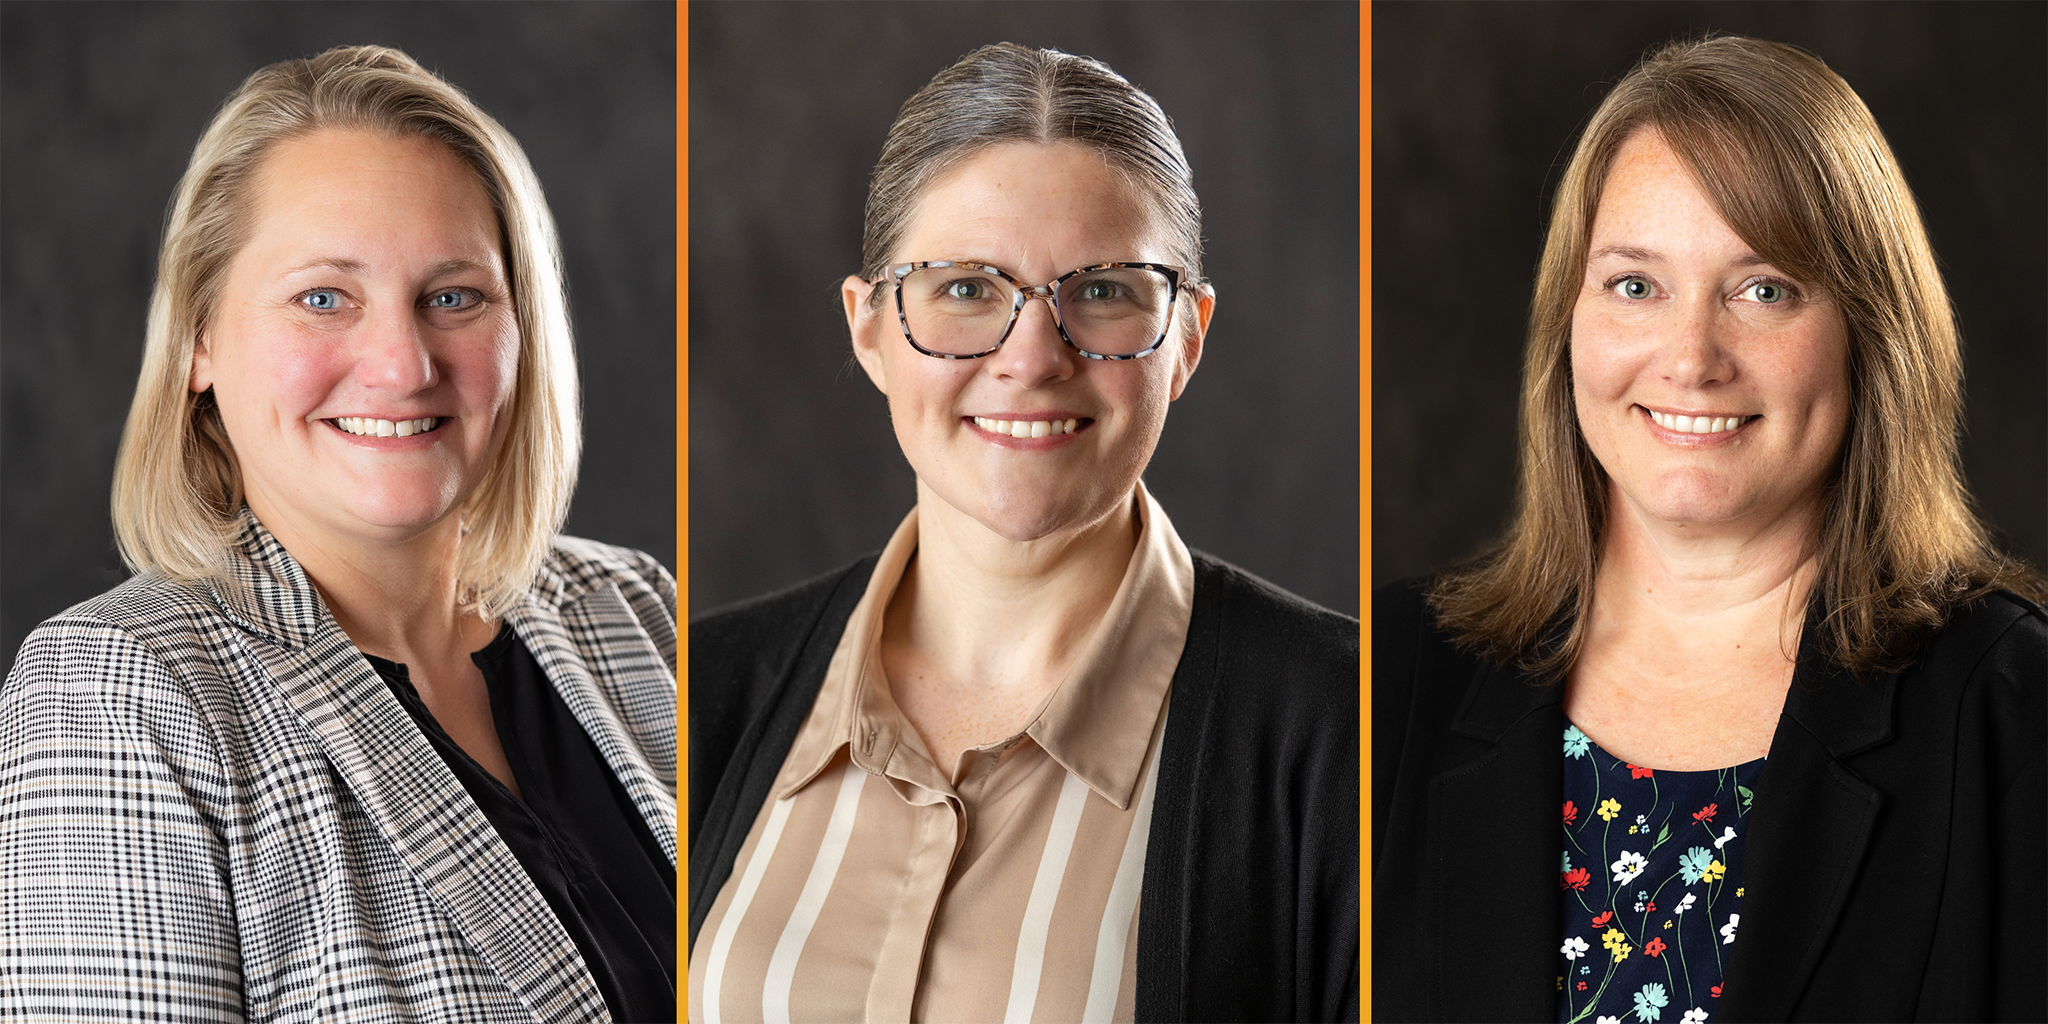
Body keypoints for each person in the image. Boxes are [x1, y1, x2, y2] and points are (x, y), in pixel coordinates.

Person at [1374, 35, 2048, 1022]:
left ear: (1869, 331)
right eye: (1633, 285)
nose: (1690, 358)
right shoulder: (1385, 680)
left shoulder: (2009, 715)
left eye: (1761, 289)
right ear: (1567, 322)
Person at [0, 46, 675, 1021]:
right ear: (198, 339)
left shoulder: (639, 612)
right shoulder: (120, 694)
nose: (402, 364)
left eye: (453, 296)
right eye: (324, 297)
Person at [688, 43, 1357, 1023]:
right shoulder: (693, 694)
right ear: (868, 328)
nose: (1032, 358)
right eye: (964, 289)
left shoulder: (1349, 734)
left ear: (1187, 338)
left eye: (1103, 290)